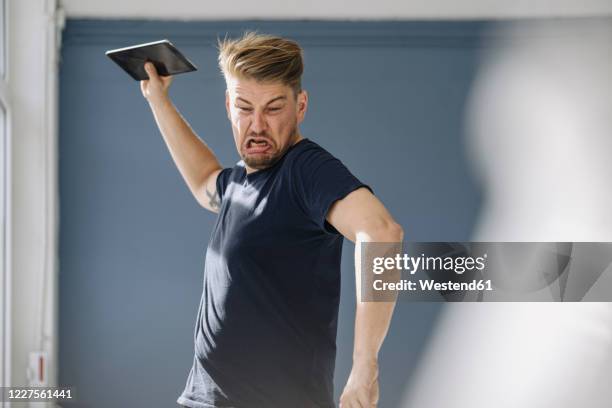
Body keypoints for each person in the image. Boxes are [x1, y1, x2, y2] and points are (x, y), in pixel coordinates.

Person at [140, 31, 402, 408]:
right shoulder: (241, 183)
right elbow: (203, 181)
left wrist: (365, 369)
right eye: (245, 108)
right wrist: (158, 100)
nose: (258, 125)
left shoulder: (306, 171)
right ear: (229, 105)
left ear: (301, 106)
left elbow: (382, 233)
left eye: (274, 108)